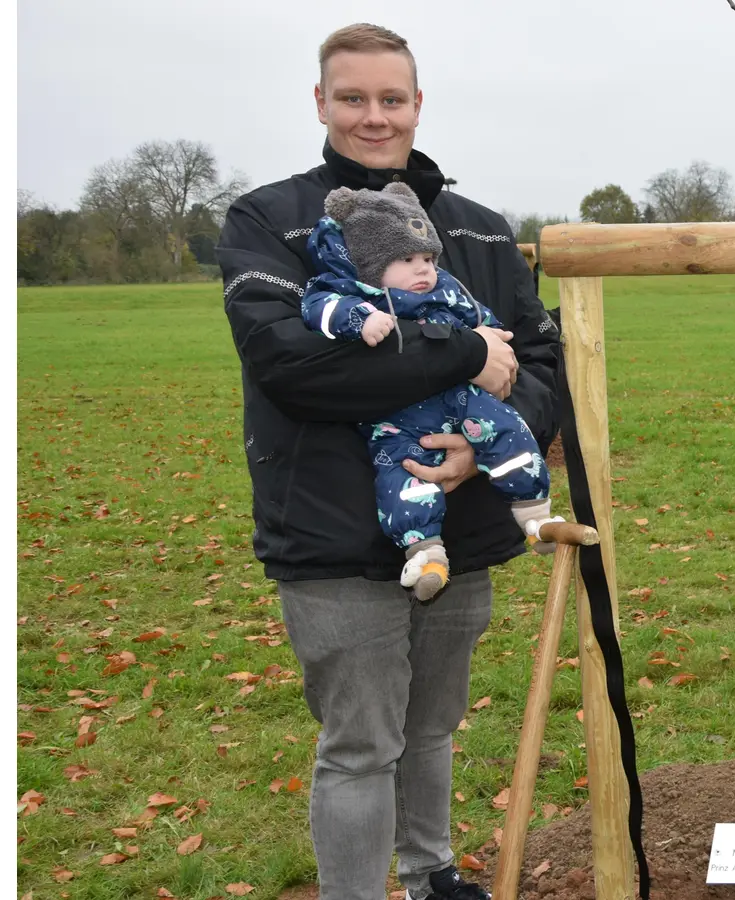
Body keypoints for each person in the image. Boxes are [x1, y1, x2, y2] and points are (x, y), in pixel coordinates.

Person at [218, 22, 559, 900]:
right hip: (334, 536)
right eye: (353, 98)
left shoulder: (480, 233)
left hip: (463, 522)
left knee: (435, 725)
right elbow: (295, 367)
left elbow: (540, 364)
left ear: (417, 103)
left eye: (392, 98)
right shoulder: (270, 223)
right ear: (321, 102)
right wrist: (460, 355)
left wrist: (481, 448)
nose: (375, 117)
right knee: (362, 745)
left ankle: (432, 872)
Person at [300, 182, 564, 601]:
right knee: (403, 477)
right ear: (367, 263)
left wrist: (491, 337)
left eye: (427, 257)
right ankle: (424, 550)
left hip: (459, 400)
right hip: (396, 419)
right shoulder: (351, 292)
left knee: (506, 428)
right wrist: (361, 321)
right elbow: (320, 309)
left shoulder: (443, 286)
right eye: (406, 259)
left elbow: (476, 315)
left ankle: (533, 511)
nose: (423, 269)